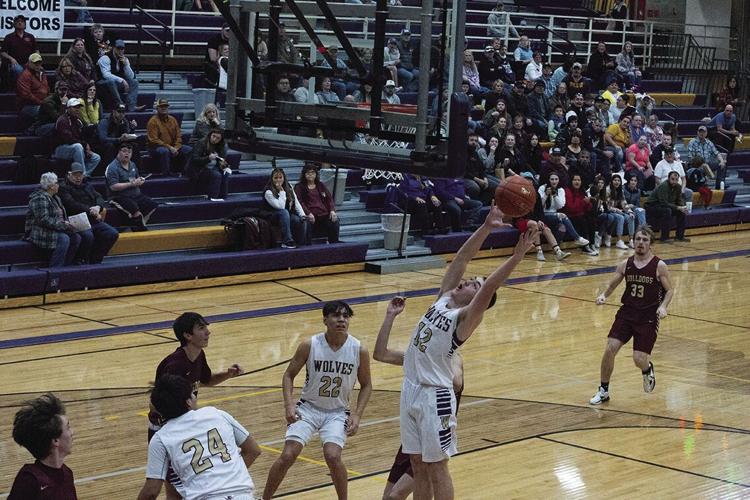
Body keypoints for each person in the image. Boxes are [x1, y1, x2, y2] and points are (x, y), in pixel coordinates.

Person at [396, 206, 535, 500]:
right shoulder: (444, 297)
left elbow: (491, 287)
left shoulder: (465, 319)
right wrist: (486, 227)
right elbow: (462, 257)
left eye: (476, 285)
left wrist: (517, 257)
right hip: (410, 388)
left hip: (435, 396)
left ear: (479, 299)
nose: (470, 280)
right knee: (418, 464)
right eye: (472, 279)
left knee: (437, 467)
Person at [261, 301, 373, 500]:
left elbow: (366, 385)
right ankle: (265, 498)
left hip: (338, 412)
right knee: (287, 455)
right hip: (309, 408)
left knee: (333, 456)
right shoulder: (310, 344)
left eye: (345, 316)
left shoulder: (358, 349)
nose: (341, 320)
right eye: (336, 316)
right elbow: (288, 375)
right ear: (325, 320)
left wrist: (357, 414)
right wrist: (289, 404)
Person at [145, 312, 246, 500]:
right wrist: (184, 420)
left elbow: (206, 380)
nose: (208, 332)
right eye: (201, 328)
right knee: (176, 484)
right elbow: (156, 403)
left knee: (176, 487)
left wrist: (228, 374)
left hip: (184, 424)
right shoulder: (174, 365)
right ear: (187, 335)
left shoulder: (198, 355)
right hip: (167, 429)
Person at [373, 296, 465, 500]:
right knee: (388, 497)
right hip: (415, 431)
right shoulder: (419, 357)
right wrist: (390, 316)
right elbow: (380, 354)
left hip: (432, 429)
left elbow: (457, 381)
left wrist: (433, 365)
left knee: (396, 495)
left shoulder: (453, 357)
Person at [137, 374, 261, 500]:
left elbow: (151, 491)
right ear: (188, 402)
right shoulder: (217, 414)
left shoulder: (160, 438)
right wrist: (227, 476)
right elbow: (253, 450)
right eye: (193, 394)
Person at [590, 226, 674, 405]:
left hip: (648, 317)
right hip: (627, 313)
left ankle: (647, 369)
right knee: (610, 348)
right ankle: (603, 390)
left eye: (645, 240)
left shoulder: (659, 266)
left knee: (639, 359)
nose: (641, 243)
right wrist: (604, 295)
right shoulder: (625, 264)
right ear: (633, 241)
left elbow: (670, 290)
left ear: (650, 244)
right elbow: (613, 285)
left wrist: (663, 307)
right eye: (638, 239)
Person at [8, 393, 76, 499]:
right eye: (68, 427)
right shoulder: (30, 480)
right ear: (55, 440)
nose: (72, 432)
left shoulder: (67, 474)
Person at [58, 162, 119, 264]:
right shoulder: (63, 187)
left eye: (80, 175)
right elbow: (71, 204)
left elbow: (99, 197)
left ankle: (95, 259)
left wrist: (98, 207)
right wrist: (91, 210)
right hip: (76, 219)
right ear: (69, 175)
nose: (78, 178)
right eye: (75, 175)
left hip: (92, 218)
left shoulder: (87, 185)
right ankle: (79, 259)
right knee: (88, 236)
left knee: (112, 233)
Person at [24, 172, 86, 268]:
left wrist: (69, 224)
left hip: (56, 228)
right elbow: (43, 219)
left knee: (76, 237)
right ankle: (55, 269)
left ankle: (66, 266)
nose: (58, 185)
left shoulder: (56, 197)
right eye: (57, 183)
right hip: (41, 231)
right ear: (51, 186)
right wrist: (64, 225)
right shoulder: (39, 198)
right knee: (64, 239)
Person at [105, 142, 158, 231]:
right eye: (124, 151)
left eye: (129, 152)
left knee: (152, 205)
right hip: (119, 197)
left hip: (136, 195)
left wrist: (140, 180)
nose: (127, 154)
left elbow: (136, 178)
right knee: (135, 210)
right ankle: (141, 230)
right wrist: (131, 184)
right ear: (118, 152)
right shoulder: (112, 167)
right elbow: (113, 187)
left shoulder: (132, 164)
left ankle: (138, 223)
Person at [263, 167, 311, 248]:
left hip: (286, 215)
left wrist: (302, 215)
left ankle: (301, 244)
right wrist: (281, 192)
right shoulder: (268, 191)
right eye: (276, 178)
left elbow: (296, 203)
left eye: (280, 177)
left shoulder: (289, 186)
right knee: (284, 212)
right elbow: (280, 207)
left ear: (284, 178)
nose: (278, 180)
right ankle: (287, 241)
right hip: (272, 215)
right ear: (272, 179)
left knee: (300, 219)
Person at [53, 98, 102, 177]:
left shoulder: (78, 121)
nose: (77, 109)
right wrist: (85, 144)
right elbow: (68, 139)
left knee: (96, 157)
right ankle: (82, 174)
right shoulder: (62, 120)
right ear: (68, 108)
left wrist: (86, 147)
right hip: (60, 149)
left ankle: (83, 176)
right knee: (78, 146)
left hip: (74, 148)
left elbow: (82, 137)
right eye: (75, 107)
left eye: (78, 107)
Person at [294, 164, 341, 243]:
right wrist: (308, 213)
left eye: (312, 172)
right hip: (310, 215)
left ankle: (334, 244)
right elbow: (299, 202)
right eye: (308, 173)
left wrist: (332, 210)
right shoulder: (299, 187)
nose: (310, 175)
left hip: (323, 214)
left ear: (316, 174)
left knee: (335, 221)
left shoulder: (320, 185)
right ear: (304, 174)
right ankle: (308, 247)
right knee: (306, 222)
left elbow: (329, 199)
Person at [147, 99, 193, 176]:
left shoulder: (173, 120)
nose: (163, 108)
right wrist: (170, 148)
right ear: (157, 108)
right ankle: (166, 174)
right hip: (155, 147)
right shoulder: (152, 121)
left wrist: (176, 147)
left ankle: (186, 172)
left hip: (172, 146)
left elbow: (178, 136)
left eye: (165, 106)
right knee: (165, 151)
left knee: (189, 150)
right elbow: (154, 140)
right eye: (161, 106)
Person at [644, 171, 690, 243]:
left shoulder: (678, 187)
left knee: (682, 212)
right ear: (668, 178)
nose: (674, 181)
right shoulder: (664, 186)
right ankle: (664, 238)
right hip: (652, 206)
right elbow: (663, 202)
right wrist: (678, 207)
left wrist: (682, 207)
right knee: (667, 211)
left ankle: (679, 236)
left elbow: (679, 199)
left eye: (676, 179)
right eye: (672, 179)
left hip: (664, 205)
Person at [188, 128, 231, 201]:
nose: (214, 139)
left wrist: (225, 166)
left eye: (218, 138)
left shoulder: (221, 146)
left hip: (212, 167)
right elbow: (194, 160)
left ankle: (223, 198)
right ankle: (213, 198)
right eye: (213, 136)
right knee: (216, 175)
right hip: (199, 169)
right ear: (210, 135)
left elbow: (221, 159)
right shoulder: (201, 143)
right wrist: (208, 158)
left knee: (225, 173)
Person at [97, 39, 141, 111]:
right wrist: (122, 80)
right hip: (101, 83)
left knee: (134, 82)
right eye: (118, 48)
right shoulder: (105, 58)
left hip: (116, 83)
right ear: (114, 48)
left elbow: (131, 76)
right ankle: (120, 104)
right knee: (111, 81)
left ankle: (131, 107)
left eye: (122, 48)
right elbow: (106, 75)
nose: (120, 50)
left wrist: (126, 65)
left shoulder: (124, 59)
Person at [687, 125, 726, 189]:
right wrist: (699, 163)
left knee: (722, 164)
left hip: (708, 163)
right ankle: (706, 180)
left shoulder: (709, 142)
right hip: (697, 164)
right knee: (703, 167)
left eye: (703, 132)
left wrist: (721, 161)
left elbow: (717, 153)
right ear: (697, 132)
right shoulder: (692, 142)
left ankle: (719, 185)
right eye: (700, 132)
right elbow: (690, 157)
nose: (702, 134)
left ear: (706, 133)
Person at [1, 15, 37, 87]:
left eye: (22, 21)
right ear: (14, 24)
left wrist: (35, 61)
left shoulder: (30, 36)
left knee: (40, 69)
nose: (20, 23)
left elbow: (36, 51)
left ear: (25, 24)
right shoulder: (9, 37)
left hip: (28, 63)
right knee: (19, 70)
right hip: (15, 64)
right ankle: (22, 89)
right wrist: (11, 59)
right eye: (18, 21)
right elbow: (3, 52)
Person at [16, 52, 48, 126]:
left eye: (39, 63)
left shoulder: (42, 73)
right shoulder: (25, 75)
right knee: (46, 111)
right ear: (29, 63)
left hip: (42, 103)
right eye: (35, 63)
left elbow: (47, 89)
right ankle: (30, 130)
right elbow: (26, 95)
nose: (38, 65)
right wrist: (41, 103)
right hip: (27, 106)